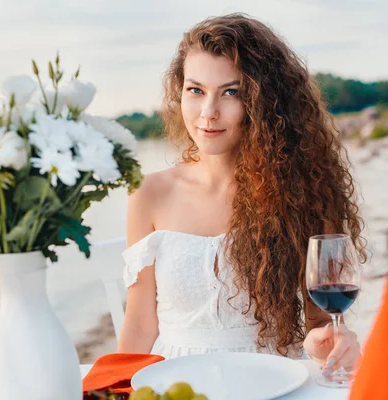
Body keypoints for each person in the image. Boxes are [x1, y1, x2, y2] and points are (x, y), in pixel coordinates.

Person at [116, 13, 367, 378]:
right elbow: (139, 322)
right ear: (179, 92)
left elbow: (320, 322)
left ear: (266, 104)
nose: (208, 113)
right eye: (195, 90)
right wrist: (120, 388)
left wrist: (329, 340)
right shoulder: (148, 193)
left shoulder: (303, 191)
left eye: (231, 92)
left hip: (272, 378)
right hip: (173, 379)